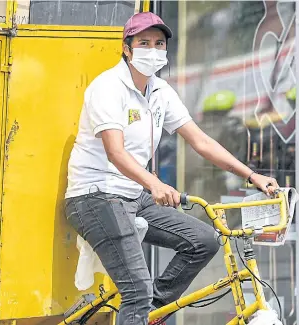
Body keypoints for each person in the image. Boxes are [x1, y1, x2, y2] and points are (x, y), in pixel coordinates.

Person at [64, 12, 279, 325]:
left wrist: (251, 175)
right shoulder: (108, 88)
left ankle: (151, 312)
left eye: (159, 43)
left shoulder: (161, 92)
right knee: (136, 289)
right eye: (144, 43)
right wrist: (155, 184)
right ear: (127, 48)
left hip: (133, 195)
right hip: (94, 197)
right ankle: (141, 307)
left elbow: (200, 142)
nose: (153, 49)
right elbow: (115, 152)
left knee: (203, 241)